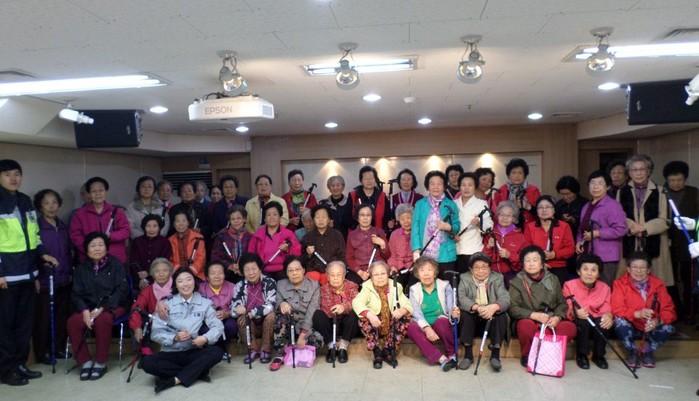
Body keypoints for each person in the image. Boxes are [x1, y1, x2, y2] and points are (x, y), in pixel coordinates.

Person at [0, 160, 58, 386]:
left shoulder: (25, 201)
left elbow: (34, 235)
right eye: (7, 174)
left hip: (27, 272)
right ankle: (6, 370)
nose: (13, 178)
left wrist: (42, 256)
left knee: (24, 325)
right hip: (6, 275)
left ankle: (20, 364)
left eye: (17, 174)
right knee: (5, 326)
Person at [142, 268, 224, 393]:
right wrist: (174, 338)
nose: (185, 284)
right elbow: (155, 333)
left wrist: (205, 338)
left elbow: (218, 326)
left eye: (188, 279)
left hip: (193, 351)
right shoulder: (166, 304)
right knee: (146, 362)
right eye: (180, 281)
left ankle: (175, 380)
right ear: (175, 285)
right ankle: (197, 372)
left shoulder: (205, 303)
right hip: (171, 352)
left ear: (194, 282)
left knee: (217, 352)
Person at [67, 232, 128, 381]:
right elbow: (76, 293)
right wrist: (84, 310)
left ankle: (101, 362)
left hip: (113, 306)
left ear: (107, 248)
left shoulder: (116, 265)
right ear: (86, 249)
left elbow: (122, 290)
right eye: (93, 245)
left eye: (101, 245)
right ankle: (85, 362)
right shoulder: (81, 269)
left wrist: (103, 307)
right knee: (73, 322)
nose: (97, 248)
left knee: (103, 320)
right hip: (89, 307)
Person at [508, 245, 576, 367]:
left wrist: (557, 317)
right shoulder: (516, 281)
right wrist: (534, 315)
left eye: (535, 260)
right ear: (523, 264)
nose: (531, 264)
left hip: (549, 319)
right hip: (529, 318)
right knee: (525, 326)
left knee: (569, 327)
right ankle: (528, 354)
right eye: (527, 260)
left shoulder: (553, 279)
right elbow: (513, 308)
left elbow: (561, 303)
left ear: (542, 264)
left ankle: (546, 353)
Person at [612, 252, 676, 368]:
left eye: (642, 267)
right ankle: (633, 351)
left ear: (648, 270)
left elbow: (669, 310)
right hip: (631, 324)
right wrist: (636, 314)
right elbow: (616, 308)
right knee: (619, 321)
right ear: (628, 269)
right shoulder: (619, 284)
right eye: (635, 267)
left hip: (650, 326)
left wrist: (657, 321)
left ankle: (647, 351)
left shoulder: (658, 285)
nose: (639, 271)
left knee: (668, 327)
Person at [617, 154, 672, 286]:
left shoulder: (661, 191)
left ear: (649, 171)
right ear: (629, 172)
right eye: (634, 170)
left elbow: (666, 220)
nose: (638, 173)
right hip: (630, 239)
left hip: (655, 241)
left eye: (642, 169)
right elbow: (618, 216)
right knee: (628, 281)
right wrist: (632, 226)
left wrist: (644, 228)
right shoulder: (622, 191)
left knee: (655, 282)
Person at [32, 189, 72, 365]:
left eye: (54, 202)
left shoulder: (63, 226)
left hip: (64, 278)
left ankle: (58, 348)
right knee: (43, 318)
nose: (51, 206)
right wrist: (35, 276)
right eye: (46, 203)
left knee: (61, 317)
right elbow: (32, 253)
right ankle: (43, 352)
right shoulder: (36, 226)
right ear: (40, 206)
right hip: (44, 280)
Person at [352, 261, 412, 369]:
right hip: (375, 321)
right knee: (364, 318)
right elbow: (356, 302)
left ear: (388, 274)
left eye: (383, 273)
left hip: (390, 321)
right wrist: (370, 315)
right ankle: (377, 351)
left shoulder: (396, 286)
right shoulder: (367, 287)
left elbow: (407, 304)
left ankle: (388, 350)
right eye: (376, 274)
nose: (380, 277)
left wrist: (402, 310)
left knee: (405, 316)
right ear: (371, 276)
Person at [457, 253, 510, 371]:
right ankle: (468, 355)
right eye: (477, 268)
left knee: (501, 315)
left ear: (490, 268)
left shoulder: (497, 278)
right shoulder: (464, 278)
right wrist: (476, 307)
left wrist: (494, 307)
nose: (481, 271)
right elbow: (462, 298)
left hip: (491, 314)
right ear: (471, 269)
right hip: (474, 313)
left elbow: (505, 298)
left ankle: (495, 355)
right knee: (465, 314)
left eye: (484, 267)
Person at [406, 257, 460, 371]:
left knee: (442, 322)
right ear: (417, 274)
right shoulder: (414, 289)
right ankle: (441, 359)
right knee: (410, 327)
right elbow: (416, 312)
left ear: (435, 272)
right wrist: (426, 328)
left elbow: (451, 307)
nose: (426, 274)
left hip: (440, 321)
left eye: (429, 270)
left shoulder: (445, 285)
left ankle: (452, 355)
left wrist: (454, 313)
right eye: (422, 270)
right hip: (423, 323)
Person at [574, 170, 627, 286]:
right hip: (588, 255)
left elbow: (621, 229)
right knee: (588, 288)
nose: (595, 186)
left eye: (600, 183)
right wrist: (579, 242)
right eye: (592, 183)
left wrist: (597, 233)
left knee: (604, 287)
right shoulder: (586, 206)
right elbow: (581, 229)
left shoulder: (613, 205)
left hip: (606, 257)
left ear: (607, 187)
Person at [269, 256, 322, 371]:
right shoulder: (280, 284)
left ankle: (295, 347)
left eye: (297, 269)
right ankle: (279, 355)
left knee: (317, 341)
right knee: (281, 317)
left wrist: (303, 334)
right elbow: (277, 301)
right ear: (286, 273)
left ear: (303, 270)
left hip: (306, 324)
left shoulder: (314, 285)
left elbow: (312, 311)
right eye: (290, 270)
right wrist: (282, 304)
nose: (294, 273)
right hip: (289, 324)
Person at [562, 254, 613, 370]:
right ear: (578, 271)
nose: (589, 273)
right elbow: (567, 304)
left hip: (596, 316)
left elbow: (606, 307)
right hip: (579, 317)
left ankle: (599, 356)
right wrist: (575, 312)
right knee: (583, 322)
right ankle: (582, 355)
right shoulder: (569, 285)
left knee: (604, 322)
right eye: (585, 269)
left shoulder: (605, 288)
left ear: (598, 274)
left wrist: (608, 316)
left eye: (593, 270)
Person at [663, 160, 699, 320]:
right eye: (672, 180)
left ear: (685, 179)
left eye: (679, 180)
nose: (676, 183)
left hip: (689, 243)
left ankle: (691, 312)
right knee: (670, 279)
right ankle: (675, 311)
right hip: (666, 242)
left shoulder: (694, 193)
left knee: (689, 278)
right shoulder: (662, 193)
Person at [411, 170, 460, 279]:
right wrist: (416, 249)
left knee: (446, 284)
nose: (436, 187)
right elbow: (415, 228)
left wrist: (449, 227)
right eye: (432, 183)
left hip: (446, 254)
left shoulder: (451, 204)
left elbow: (456, 226)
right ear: (427, 186)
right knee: (426, 282)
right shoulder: (420, 204)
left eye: (439, 184)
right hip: (425, 252)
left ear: (444, 186)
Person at [70, 176, 130, 264]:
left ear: (106, 192)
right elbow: (76, 236)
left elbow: (126, 231)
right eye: (94, 191)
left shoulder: (117, 211)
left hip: (115, 259)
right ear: (89, 194)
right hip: (90, 261)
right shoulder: (79, 214)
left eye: (101, 190)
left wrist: (110, 236)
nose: (98, 194)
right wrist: (90, 250)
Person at [230, 253, 277, 365]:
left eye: (254, 269)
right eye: (247, 270)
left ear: (260, 268)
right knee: (241, 319)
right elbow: (233, 309)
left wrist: (252, 313)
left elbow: (271, 305)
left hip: (266, 322)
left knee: (271, 316)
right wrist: (237, 309)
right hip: (250, 324)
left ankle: (266, 350)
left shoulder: (269, 282)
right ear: (242, 272)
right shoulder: (239, 286)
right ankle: (252, 349)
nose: (251, 273)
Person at [312, 261, 359, 364]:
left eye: (339, 275)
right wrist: (336, 308)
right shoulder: (323, 289)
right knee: (318, 314)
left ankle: (343, 347)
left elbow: (357, 302)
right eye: (332, 275)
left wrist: (344, 307)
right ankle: (331, 346)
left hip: (346, 326)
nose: (336, 278)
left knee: (354, 314)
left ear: (344, 275)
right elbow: (326, 308)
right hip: (331, 324)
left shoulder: (352, 286)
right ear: (328, 277)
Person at [524, 195, 575, 284]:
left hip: (558, 267)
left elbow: (570, 249)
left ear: (554, 210)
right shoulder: (530, 227)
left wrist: (554, 254)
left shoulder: (564, 226)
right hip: (535, 267)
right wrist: (539, 263)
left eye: (547, 207)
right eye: (540, 207)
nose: (544, 210)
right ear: (536, 211)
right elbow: (526, 249)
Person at [248, 201, 301, 280]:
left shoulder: (288, 234)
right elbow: (250, 254)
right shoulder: (258, 234)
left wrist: (287, 250)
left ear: (280, 217)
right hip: (263, 270)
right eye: (268, 215)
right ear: (264, 219)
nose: (272, 217)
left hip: (284, 270)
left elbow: (297, 253)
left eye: (275, 214)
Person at [128, 258, 174, 348]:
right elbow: (136, 308)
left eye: (165, 270)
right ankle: (145, 350)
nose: (161, 274)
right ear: (152, 274)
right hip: (156, 325)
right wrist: (137, 327)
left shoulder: (178, 287)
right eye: (157, 271)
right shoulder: (148, 290)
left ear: (170, 272)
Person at [454, 172, 493, 274]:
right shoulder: (453, 203)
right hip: (455, 249)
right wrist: (452, 235)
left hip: (473, 249)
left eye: (470, 185)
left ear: (475, 187)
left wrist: (479, 223)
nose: (466, 188)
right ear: (459, 187)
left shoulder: (481, 204)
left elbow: (489, 226)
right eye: (463, 185)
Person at [198, 262, 237, 359]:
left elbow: (238, 306)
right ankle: (217, 349)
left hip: (227, 317)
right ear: (207, 277)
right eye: (213, 273)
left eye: (220, 273)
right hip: (207, 320)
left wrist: (227, 313)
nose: (217, 276)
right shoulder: (200, 288)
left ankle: (222, 348)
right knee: (205, 330)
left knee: (231, 326)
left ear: (224, 275)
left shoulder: (232, 287)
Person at [483, 201, 527, 286]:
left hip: (511, 275)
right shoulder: (490, 233)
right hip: (491, 275)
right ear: (497, 216)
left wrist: (509, 255)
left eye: (508, 215)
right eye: (502, 215)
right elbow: (483, 258)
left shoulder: (520, 236)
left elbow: (523, 259)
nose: (504, 218)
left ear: (514, 218)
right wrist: (488, 247)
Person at [346, 204, 390, 285]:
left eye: (368, 215)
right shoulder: (352, 235)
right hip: (359, 270)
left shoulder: (379, 232)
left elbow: (387, 256)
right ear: (357, 217)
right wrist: (360, 272)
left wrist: (382, 244)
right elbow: (349, 258)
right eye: (362, 215)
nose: (365, 218)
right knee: (350, 284)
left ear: (372, 217)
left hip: (377, 269)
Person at [301, 204, 345, 285]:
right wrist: (308, 254)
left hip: (332, 271)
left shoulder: (337, 235)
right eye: (317, 217)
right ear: (313, 219)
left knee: (329, 277)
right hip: (313, 271)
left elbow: (342, 257)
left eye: (324, 217)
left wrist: (335, 268)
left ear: (329, 219)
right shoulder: (307, 237)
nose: (320, 220)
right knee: (312, 278)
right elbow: (302, 260)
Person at [492, 158, 541, 228]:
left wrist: (528, 206)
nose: (517, 176)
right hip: (506, 228)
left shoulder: (533, 190)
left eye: (520, 173)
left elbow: (540, 212)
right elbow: (495, 213)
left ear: (525, 175)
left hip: (529, 228)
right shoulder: (500, 191)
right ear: (508, 175)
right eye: (513, 173)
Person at [129, 215, 172, 291]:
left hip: (158, 277)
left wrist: (148, 273)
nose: (151, 229)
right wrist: (141, 276)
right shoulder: (137, 241)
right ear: (144, 227)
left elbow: (164, 261)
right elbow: (133, 261)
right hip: (139, 278)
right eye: (148, 226)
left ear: (159, 227)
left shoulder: (165, 242)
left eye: (155, 226)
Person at [210, 205, 252, 283]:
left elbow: (252, 255)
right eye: (233, 219)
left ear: (244, 219)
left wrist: (242, 266)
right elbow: (215, 257)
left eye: (239, 218)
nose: (236, 221)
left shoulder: (250, 237)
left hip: (245, 272)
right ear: (229, 221)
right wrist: (230, 266)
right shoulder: (221, 236)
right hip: (226, 273)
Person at [350, 166, 391, 231]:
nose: (369, 181)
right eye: (366, 179)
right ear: (361, 181)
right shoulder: (353, 195)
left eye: (371, 178)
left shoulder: (382, 196)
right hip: (357, 234)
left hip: (377, 233)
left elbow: (387, 217)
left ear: (375, 179)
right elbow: (348, 217)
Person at [168, 210, 206, 280]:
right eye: (177, 221)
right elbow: (169, 260)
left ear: (188, 223)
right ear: (173, 224)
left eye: (184, 221)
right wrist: (178, 271)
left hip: (196, 275)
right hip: (177, 274)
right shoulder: (170, 240)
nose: (181, 224)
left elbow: (201, 258)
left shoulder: (198, 238)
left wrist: (191, 271)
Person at [387, 204, 417, 292]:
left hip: (414, 268)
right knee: (395, 288)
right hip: (399, 267)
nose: (406, 221)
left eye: (408, 218)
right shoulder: (394, 234)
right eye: (402, 219)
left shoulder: (417, 233)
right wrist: (393, 267)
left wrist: (416, 266)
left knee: (413, 288)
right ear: (398, 220)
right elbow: (391, 255)